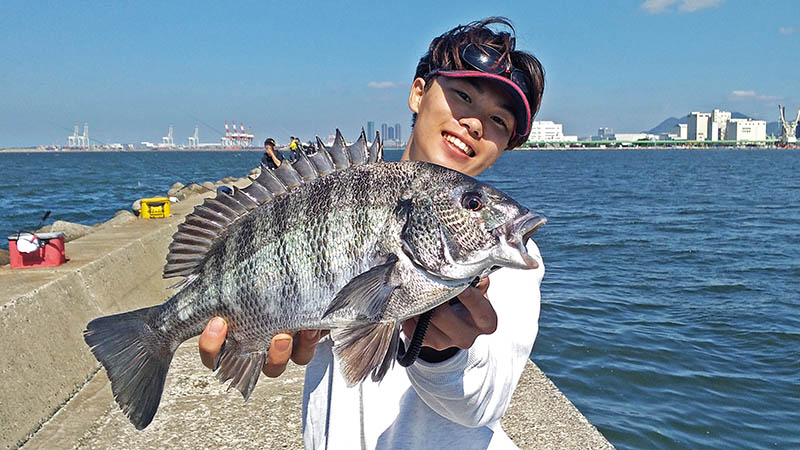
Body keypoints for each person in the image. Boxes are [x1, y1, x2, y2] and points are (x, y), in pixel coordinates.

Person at [199, 17, 545, 449]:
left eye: (498, 120)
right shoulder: (342, 189)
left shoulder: (511, 263)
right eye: (463, 96)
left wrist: (442, 353)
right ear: (418, 93)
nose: (475, 124)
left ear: (504, 147)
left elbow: (484, 406)